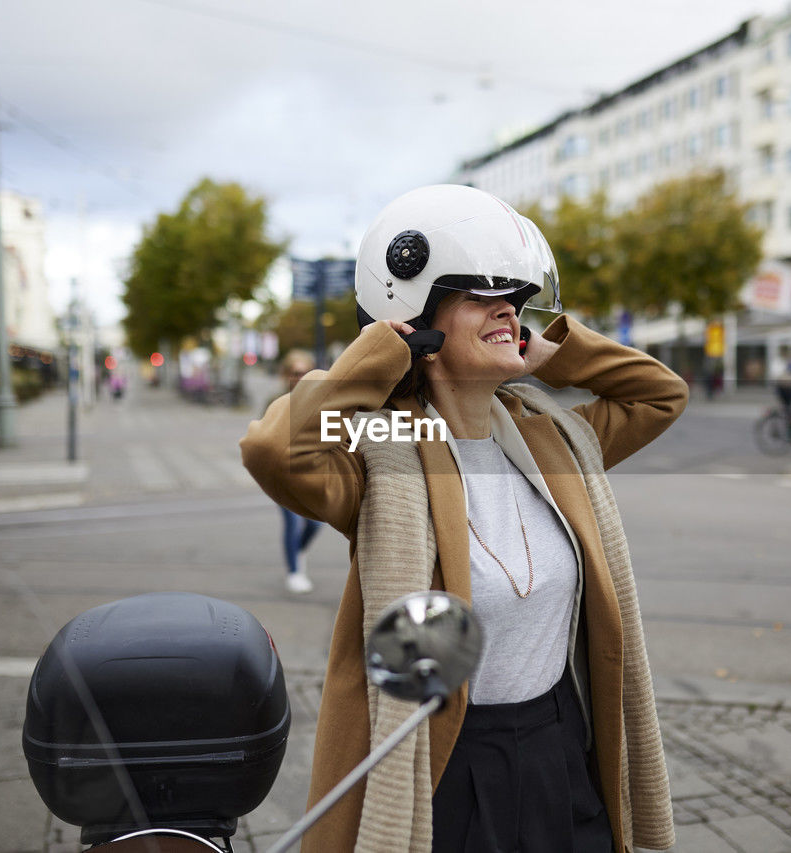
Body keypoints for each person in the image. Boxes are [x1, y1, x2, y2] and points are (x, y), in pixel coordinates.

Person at [241, 185, 681, 853]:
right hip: (446, 759)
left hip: (563, 747)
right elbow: (277, 448)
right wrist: (380, 353)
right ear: (418, 320)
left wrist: (556, 349)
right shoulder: (375, 454)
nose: (509, 309)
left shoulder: (555, 437)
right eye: (481, 294)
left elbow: (659, 395)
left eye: (514, 295)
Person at [277, 350, 322, 594]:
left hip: (313, 473)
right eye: (296, 373)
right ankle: (294, 572)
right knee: (292, 523)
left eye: (306, 372)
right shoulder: (277, 400)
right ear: (286, 375)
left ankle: (298, 550)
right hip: (284, 475)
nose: (301, 377)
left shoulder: (321, 400)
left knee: (316, 524)